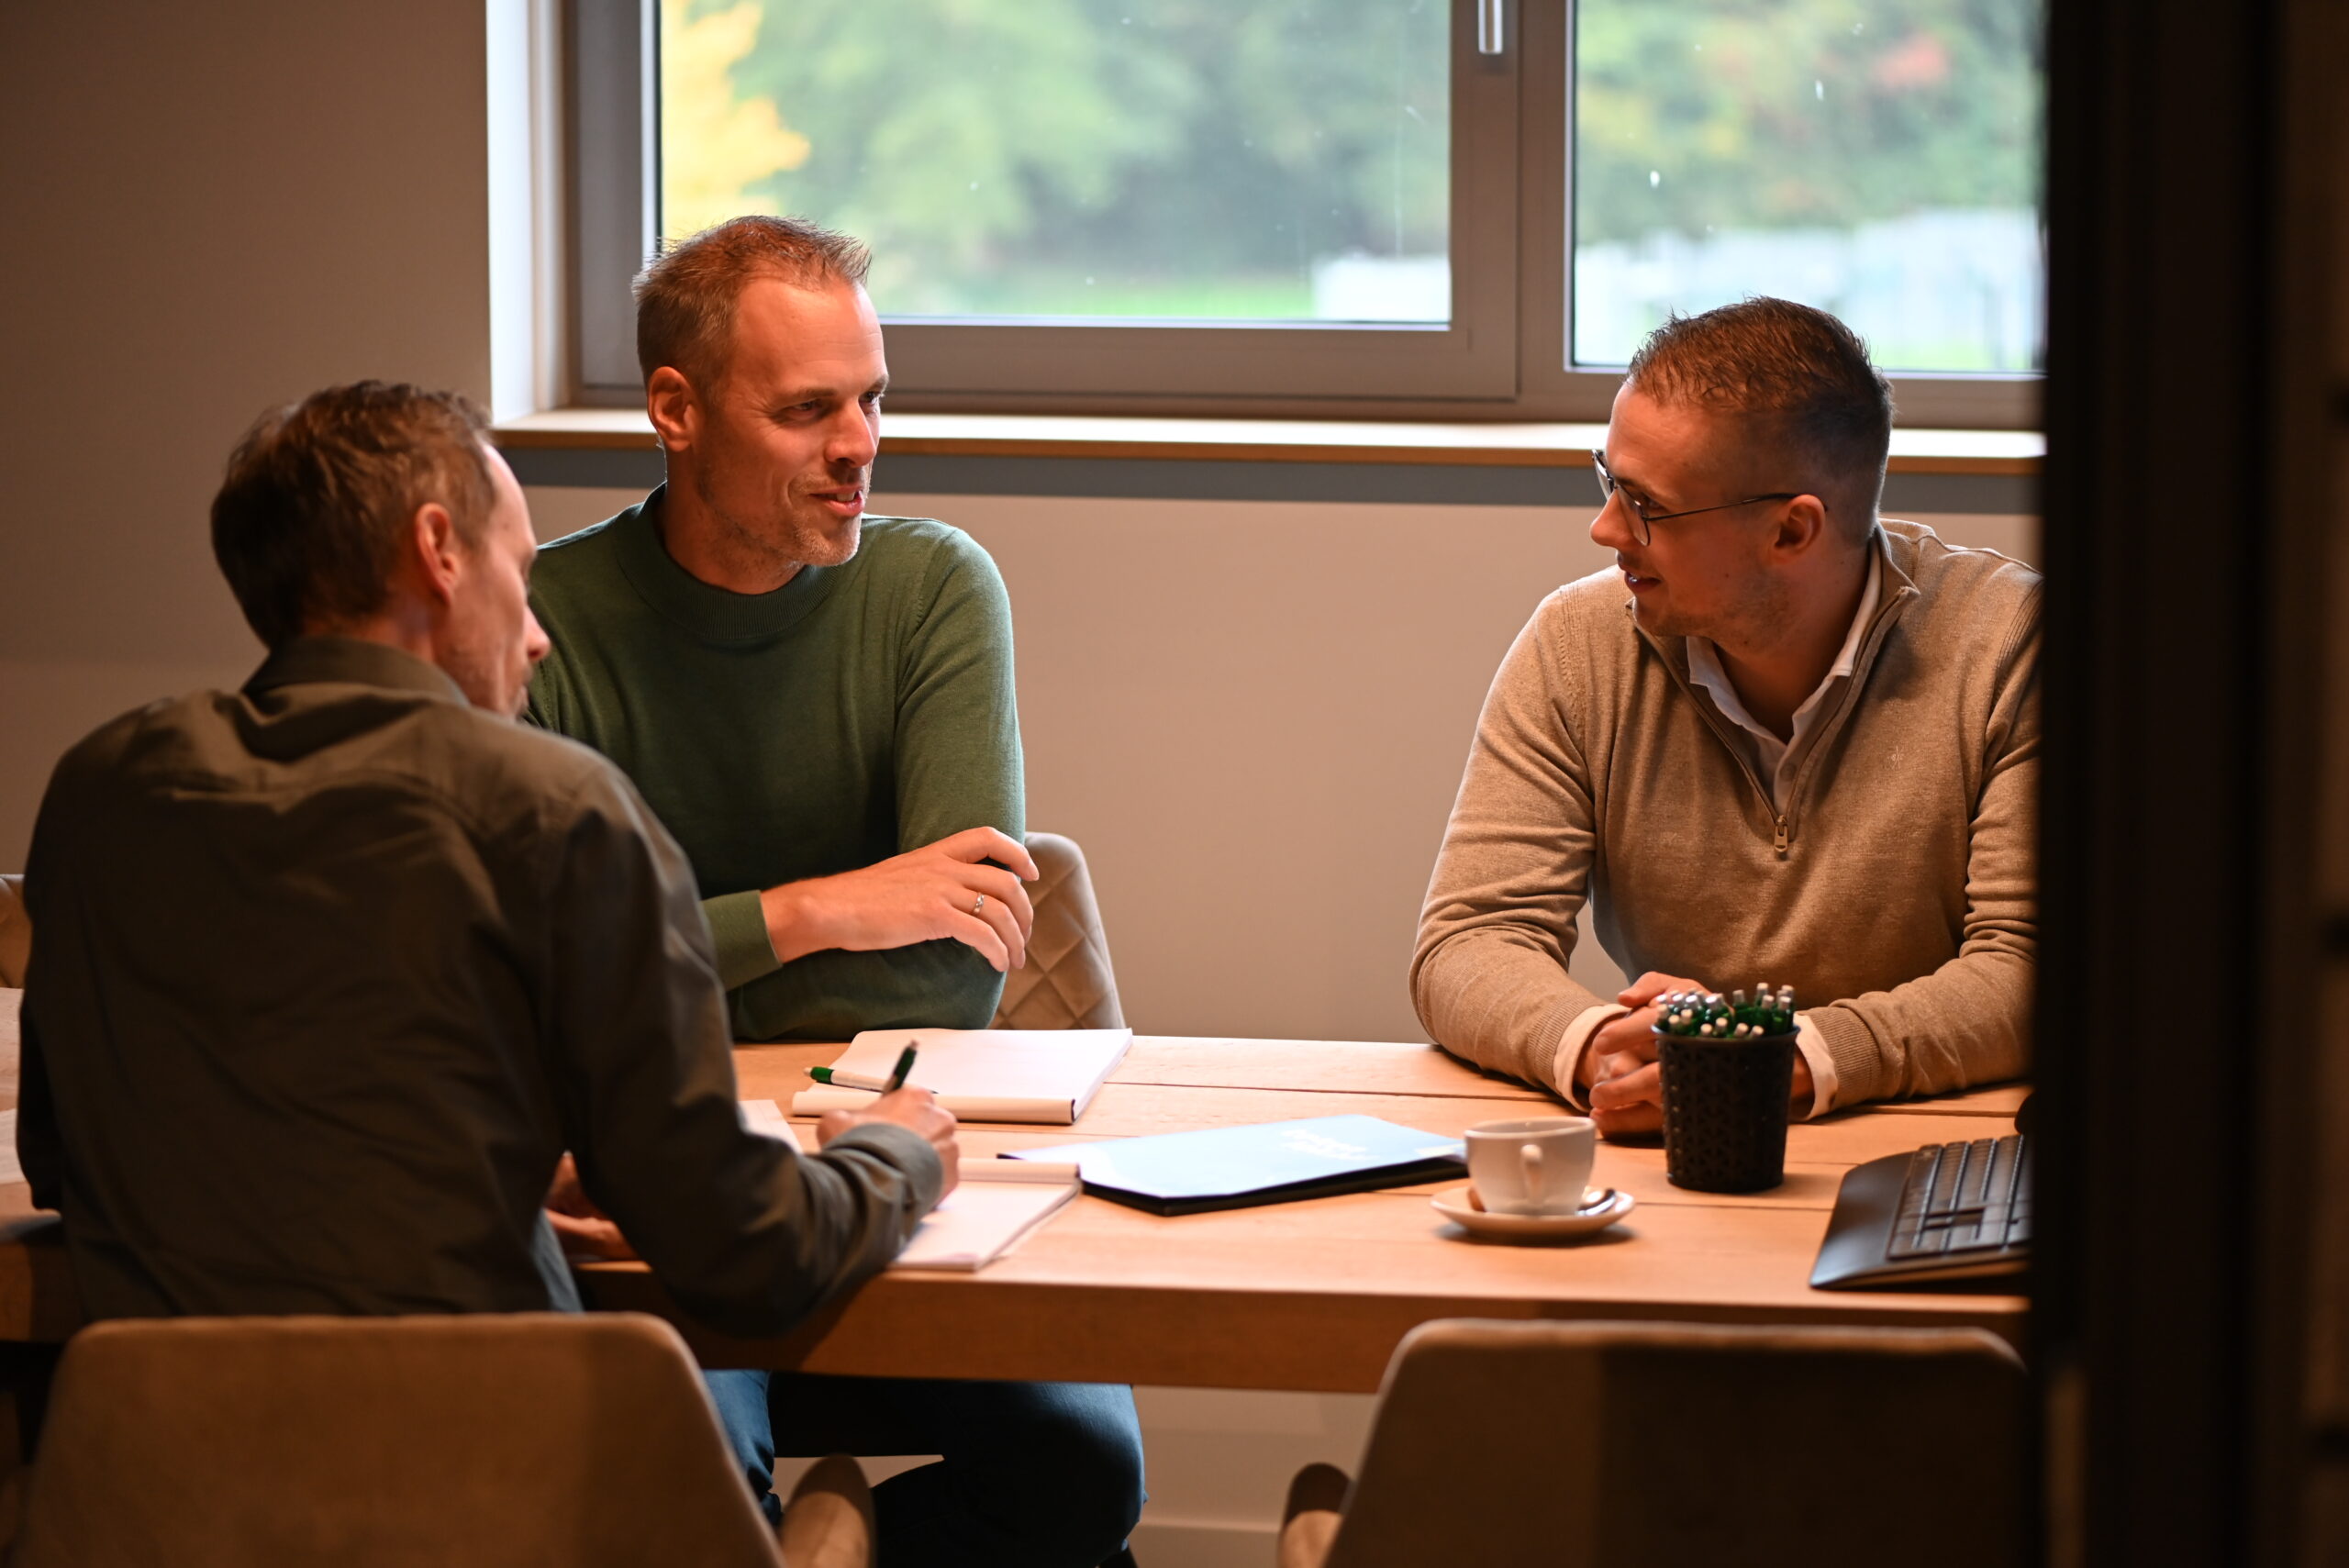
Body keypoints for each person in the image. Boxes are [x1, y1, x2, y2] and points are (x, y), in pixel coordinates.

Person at [17, 381, 956, 1350]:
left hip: (143, 1474)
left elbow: (68, 1158)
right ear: (439, 551)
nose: (539, 632)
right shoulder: (553, 809)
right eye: (518, 570)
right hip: (483, 1472)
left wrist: (467, 1166)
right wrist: (896, 1154)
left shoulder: (103, 789)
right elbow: (747, 1249)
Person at [525, 217, 1143, 1568]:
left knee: (1083, 1473)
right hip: (673, 1209)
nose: (859, 445)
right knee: (686, 1484)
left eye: (871, 398)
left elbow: (949, 974)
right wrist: (826, 908)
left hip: (903, 1179)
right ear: (674, 411)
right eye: (807, 411)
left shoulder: (932, 590)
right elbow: (545, 987)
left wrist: (674, 967)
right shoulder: (545, 620)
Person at [1412, 298, 2037, 1135]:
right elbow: (1471, 938)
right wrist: (1601, 1042)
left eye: (1647, 506)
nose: (1604, 530)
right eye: (1608, 482)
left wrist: (1785, 1056)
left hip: (1925, 1149)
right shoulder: (1577, 644)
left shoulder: (2009, 646)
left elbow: (2022, 970)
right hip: (1668, 1141)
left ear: (1791, 530)